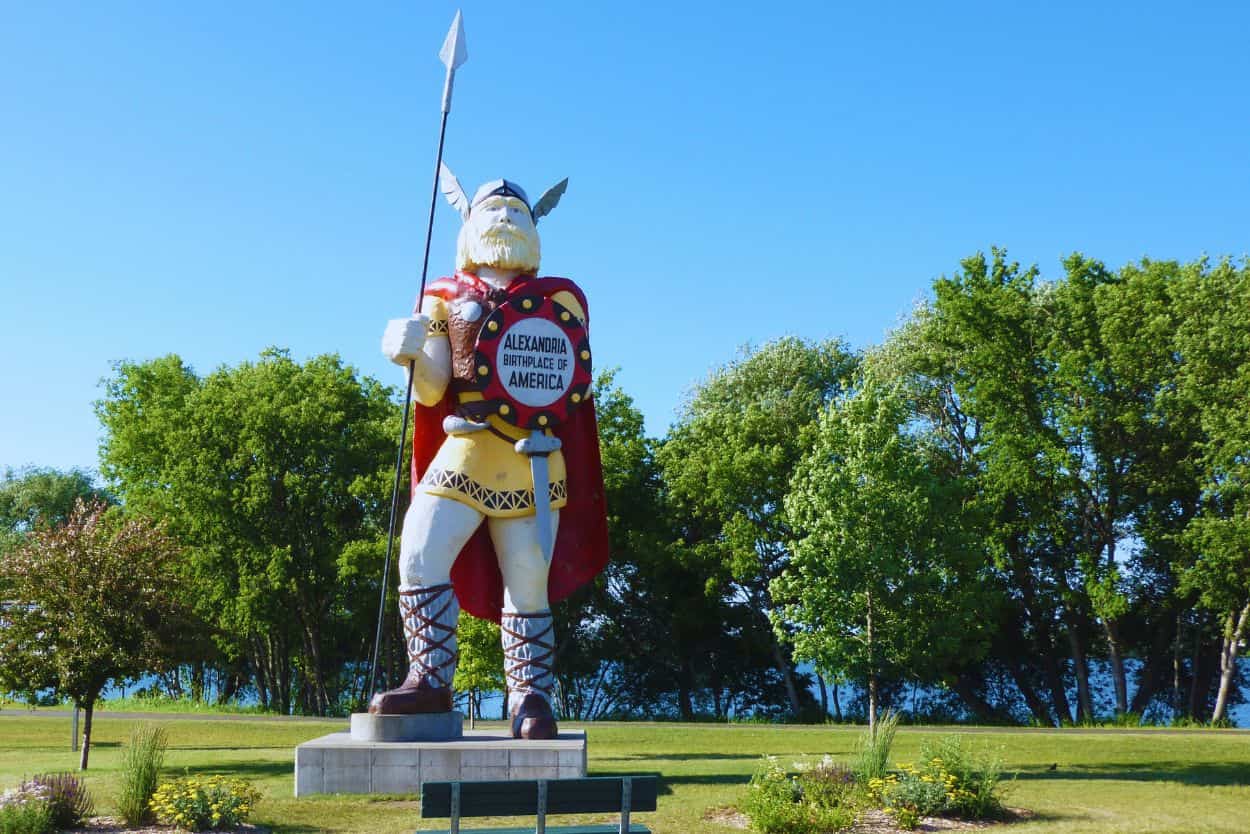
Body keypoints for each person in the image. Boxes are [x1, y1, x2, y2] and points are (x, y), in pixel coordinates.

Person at [372, 174, 608, 740]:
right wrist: (404, 352)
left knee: (528, 582)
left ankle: (529, 697)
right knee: (419, 551)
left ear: (534, 226)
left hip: (535, 456)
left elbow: (570, 377)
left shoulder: (560, 298)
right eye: (493, 210)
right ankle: (429, 678)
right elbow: (431, 389)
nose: (504, 218)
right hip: (467, 447)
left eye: (515, 211)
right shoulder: (442, 296)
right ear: (468, 223)